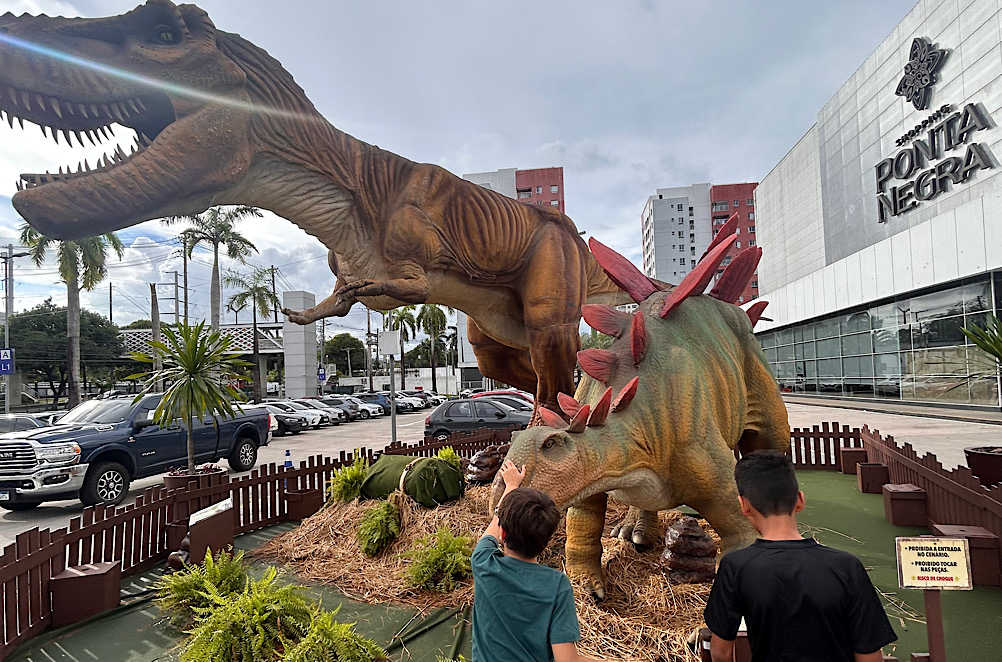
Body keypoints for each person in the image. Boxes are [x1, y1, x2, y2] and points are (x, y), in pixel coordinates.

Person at [703, 450, 897, 662]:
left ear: (744, 506)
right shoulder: (847, 566)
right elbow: (870, 656)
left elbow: (720, 652)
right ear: (800, 500)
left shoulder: (736, 566)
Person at [472, 459, 613, 662]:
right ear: (547, 540)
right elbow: (567, 660)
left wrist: (511, 486)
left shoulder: (484, 564)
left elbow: (494, 528)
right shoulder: (556, 585)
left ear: (503, 533)